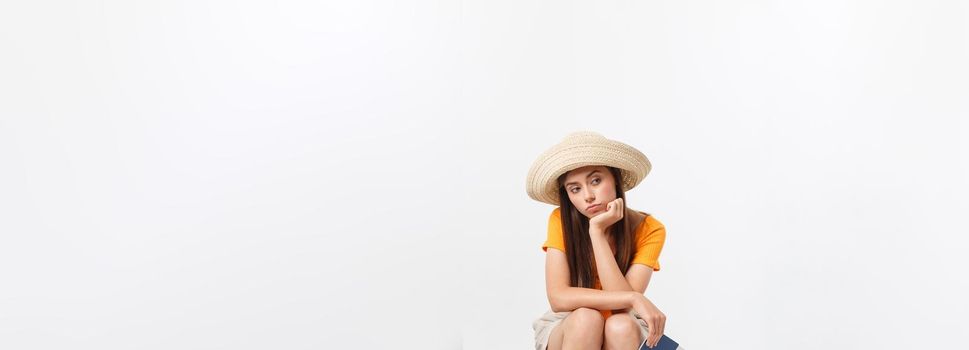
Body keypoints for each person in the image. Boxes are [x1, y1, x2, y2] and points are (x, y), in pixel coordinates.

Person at [526, 131, 682, 350]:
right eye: (575, 189)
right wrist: (632, 298)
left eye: (596, 181)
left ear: (615, 179)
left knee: (621, 325)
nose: (588, 195)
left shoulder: (649, 228)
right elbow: (559, 298)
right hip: (566, 322)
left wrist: (597, 233)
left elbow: (621, 310)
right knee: (586, 318)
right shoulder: (560, 220)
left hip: (625, 322)